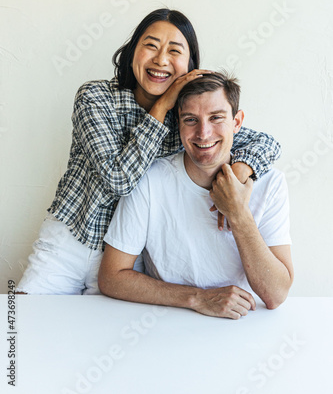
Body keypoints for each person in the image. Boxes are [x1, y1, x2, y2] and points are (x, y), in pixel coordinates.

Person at [17, 10, 281, 295]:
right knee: (22, 327)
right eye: (151, 45)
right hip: (70, 242)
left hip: (128, 259)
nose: (161, 59)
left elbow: (266, 143)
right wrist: (161, 106)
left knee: (101, 337)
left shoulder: (188, 119)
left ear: (190, 65)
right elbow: (118, 180)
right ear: (133, 52)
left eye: (174, 51)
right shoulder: (96, 97)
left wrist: (240, 173)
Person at [98, 72, 293, 318]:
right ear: (177, 123)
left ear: (237, 122)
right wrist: (197, 298)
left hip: (244, 322)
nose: (203, 133)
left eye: (216, 118)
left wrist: (238, 212)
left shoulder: (271, 183)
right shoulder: (149, 179)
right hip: (167, 321)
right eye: (190, 119)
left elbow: (276, 295)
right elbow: (111, 277)